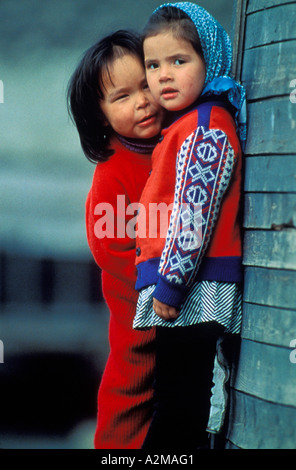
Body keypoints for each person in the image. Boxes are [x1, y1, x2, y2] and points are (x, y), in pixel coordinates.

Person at [133, 3, 247, 450]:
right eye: (154, 65)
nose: (163, 75)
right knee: (182, 402)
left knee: (177, 407)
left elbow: (193, 216)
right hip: (184, 290)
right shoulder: (186, 124)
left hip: (192, 291)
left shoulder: (206, 127)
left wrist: (171, 285)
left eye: (180, 61)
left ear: (210, 61)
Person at [67, 30, 164, 449]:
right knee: (132, 381)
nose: (142, 100)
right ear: (101, 115)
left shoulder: (178, 140)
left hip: (179, 290)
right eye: (122, 96)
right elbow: (110, 248)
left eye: (146, 84)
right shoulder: (112, 171)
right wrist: (157, 283)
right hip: (136, 301)